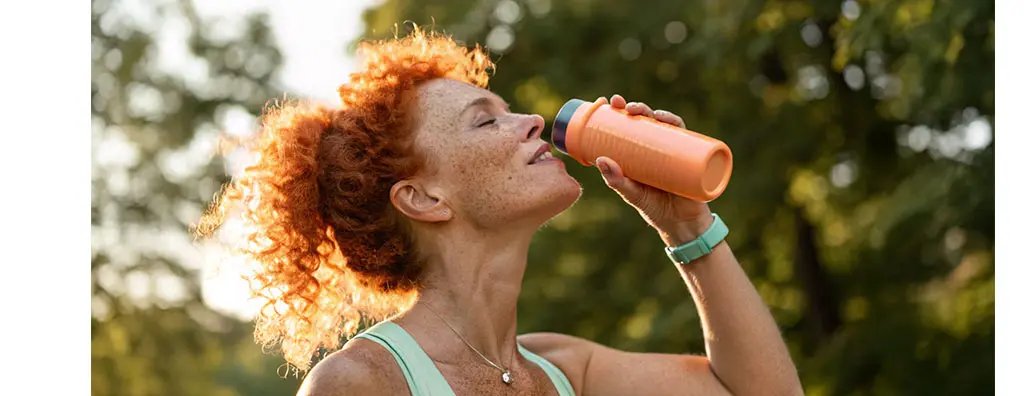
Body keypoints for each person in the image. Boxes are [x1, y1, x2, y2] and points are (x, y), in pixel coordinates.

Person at [196, 28, 802, 396]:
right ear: (423, 198)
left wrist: (687, 225)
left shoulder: (567, 371)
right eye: (486, 120)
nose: (533, 121)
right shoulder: (362, 384)